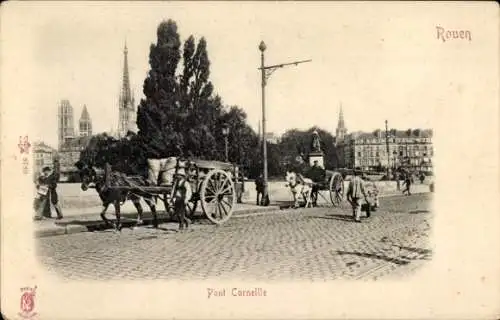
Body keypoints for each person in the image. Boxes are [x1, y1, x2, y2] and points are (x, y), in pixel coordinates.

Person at [172, 161, 193, 230]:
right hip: (177, 198)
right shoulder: (176, 182)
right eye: (177, 175)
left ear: (182, 176)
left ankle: (181, 226)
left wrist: (187, 199)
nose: (177, 176)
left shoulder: (186, 183)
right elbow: (173, 190)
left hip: (183, 199)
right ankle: (186, 221)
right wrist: (172, 198)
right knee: (177, 212)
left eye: (179, 175)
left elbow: (189, 191)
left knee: (182, 212)